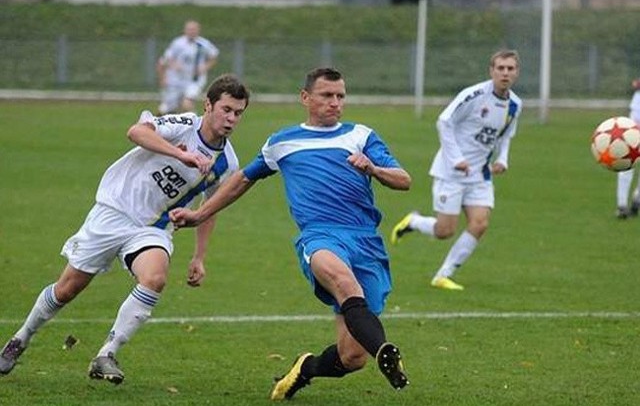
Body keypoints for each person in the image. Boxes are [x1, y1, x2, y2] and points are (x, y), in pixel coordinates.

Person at [169, 67, 411, 400]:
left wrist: (373, 168)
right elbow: (242, 179)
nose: (335, 103)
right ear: (305, 97)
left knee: (353, 357)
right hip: (320, 236)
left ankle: (306, 368)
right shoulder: (282, 142)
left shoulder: (361, 135)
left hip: (365, 240)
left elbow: (403, 179)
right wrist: (199, 214)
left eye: (340, 96)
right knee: (342, 281)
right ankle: (385, 350)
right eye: (327, 95)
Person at [0, 74, 250, 384]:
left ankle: (107, 353)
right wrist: (181, 154)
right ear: (208, 105)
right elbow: (136, 132)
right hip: (114, 211)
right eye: (226, 109)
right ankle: (20, 339)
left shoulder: (226, 163)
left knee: (155, 278)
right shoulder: (183, 124)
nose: (231, 118)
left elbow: (210, 209)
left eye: (238, 113)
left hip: (152, 228)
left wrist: (199, 256)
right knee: (67, 288)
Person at [390, 49, 522, 291]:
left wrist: (503, 159)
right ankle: (414, 221)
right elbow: (444, 121)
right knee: (444, 231)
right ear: (491, 71)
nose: (505, 73)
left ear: (516, 72)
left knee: (480, 223)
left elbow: (506, 136)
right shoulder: (473, 95)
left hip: (481, 174)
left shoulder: (515, 105)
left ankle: (443, 275)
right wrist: (456, 158)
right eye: (500, 68)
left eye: (510, 68)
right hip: (451, 172)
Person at [157, 20, 220, 115]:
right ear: (185, 30)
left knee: (186, 104)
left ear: (198, 30)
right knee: (165, 109)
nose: (192, 31)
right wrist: (170, 69)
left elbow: (214, 56)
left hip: (194, 80)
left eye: (194, 29)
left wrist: (205, 67)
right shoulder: (178, 43)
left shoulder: (203, 44)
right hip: (176, 80)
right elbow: (165, 60)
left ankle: (196, 125)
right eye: (189, 29)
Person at [615, 77, 640, 219]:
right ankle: (622, 205)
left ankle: (635, 200)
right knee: (626, 164)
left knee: (626, 166)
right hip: (634, 129)